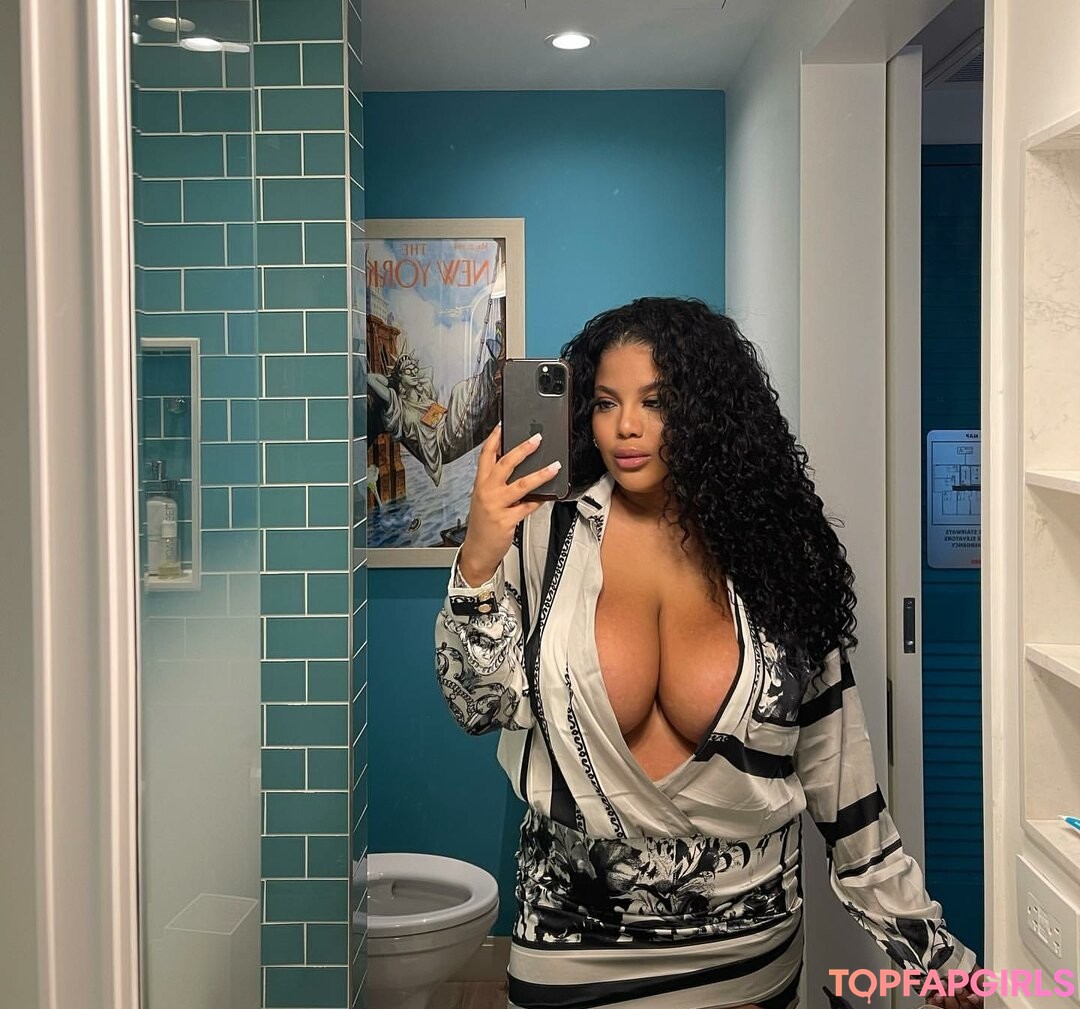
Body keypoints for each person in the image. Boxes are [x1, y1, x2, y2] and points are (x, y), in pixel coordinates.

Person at [433, 297, 983, 1009]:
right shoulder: (544, 534)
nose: (626, 427)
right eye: (605, 403)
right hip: (571, 943)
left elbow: (840, 779)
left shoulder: (778, 551)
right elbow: (478, 706)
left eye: (656, 401)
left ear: (708, 409)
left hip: (746, 952)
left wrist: (928, 949)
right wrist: (479, 556)